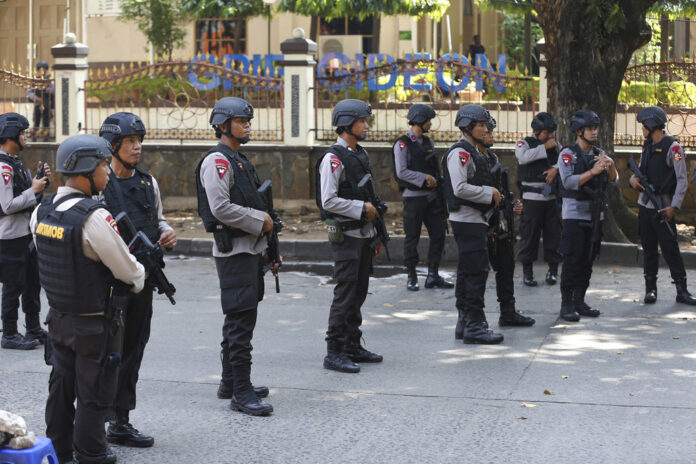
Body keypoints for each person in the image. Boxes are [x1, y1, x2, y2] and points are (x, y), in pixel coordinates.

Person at [33, 133, 145, 464]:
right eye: (102, 165)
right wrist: (140, 274)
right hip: (95, 326)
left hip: (59, 319)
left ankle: (59, 453)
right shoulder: (94, 217)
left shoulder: (44, 209)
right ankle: (92, 456)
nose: (108, 172)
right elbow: (130, 273)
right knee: (94, 396)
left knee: (61, 390)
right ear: (85, 171)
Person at [98, 112, 177, 447]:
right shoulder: (101, 185)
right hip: (111, 284)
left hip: (143, 281)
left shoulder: (148, 182)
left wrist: (167, 232)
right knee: (106, 353)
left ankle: (120, 419)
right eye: (130, 141)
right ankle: (93, 417)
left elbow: (157, 220)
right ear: (112, 146)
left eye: (139, 141)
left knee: (132, 350)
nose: (137, 147)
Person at [196, 97, 278, 416]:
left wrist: (269, 246)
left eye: (248, 121)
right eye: (241, 121)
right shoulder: (218, 161)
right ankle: (241, 393)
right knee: (240, 323)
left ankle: (231, 381)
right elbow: (220, 208)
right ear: (223, 125)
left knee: (239, 320)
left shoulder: (238, 159)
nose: (247, 126)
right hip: (234, 252)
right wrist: (261, 221)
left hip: (249, 250)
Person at [316, 98, 385, 373]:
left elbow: (369, 196)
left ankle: (352, 343)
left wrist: (376, 236)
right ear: (346, 124)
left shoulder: (359, 153)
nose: (366, 125)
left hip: (363, 234)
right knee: (345, 292)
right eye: (361, 121)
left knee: (359, 291)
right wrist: (360, 209)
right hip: (346, 235)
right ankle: (334, 350)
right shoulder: (334, 158)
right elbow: (328, 200)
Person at [442, 104, 505, 344]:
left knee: (469, 271)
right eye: (480, 125)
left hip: (475, 219)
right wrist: (488, 193)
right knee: (476, 272)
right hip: (466, 219)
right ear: (467, 127)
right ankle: (474, 325)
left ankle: (465, 322)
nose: (485, 129)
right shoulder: (461, 153)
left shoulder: (475, 152)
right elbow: (459, 188)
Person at [630, 106, 696, 305]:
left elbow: (682, 180)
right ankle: (651, 290)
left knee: (671, 249)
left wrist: (673, 207)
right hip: (645, 205)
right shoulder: (647, 146)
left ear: (651, 126)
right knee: (649, 249)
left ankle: (682, 290)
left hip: (664, 206)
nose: (642, 129)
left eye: (644, 126)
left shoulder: (673, 148)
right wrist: (633, 180)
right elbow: (639, 171)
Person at [557, 110, 618, 322]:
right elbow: (568, 182)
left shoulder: (599, 152)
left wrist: (609, 165)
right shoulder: (567, 154)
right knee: (572, 259)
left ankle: (580, 301)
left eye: (595, 128)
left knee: (588, 259)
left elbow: (614, 180)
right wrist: (593, 171)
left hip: (595, 215)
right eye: (590, 129)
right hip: (574, 213)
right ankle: (566, 304)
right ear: (579, 131)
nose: (594, 132)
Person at [0, 112, 50, 350]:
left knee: (32, 283)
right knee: (13, 285)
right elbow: (7, 206)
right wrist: (33, 190)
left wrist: (39, 183)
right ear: (10, 135)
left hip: (26, 233)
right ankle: (9, 333)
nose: (25, 137)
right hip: (10, 237)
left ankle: (33, 327)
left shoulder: (13, 162)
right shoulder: (2, 167)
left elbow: (27, 197)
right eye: (21, 133)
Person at [393, 104, 452, 291]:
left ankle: (433, 275)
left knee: (438, 235)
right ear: (419, 120)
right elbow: (401, 172)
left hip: (433, 198)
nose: (430, 124)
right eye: (428, 120)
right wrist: (423, 178)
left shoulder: (428, 142)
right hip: (414, 198)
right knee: (412, 238)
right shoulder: (402, 143)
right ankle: (411, 276)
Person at [515, 112, 562, 287]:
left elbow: (565, 161)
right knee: (529, 236)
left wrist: (555, 170)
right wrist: (545, 147)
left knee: (554, 235)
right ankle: (528, 273)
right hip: (532, 198)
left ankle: (553, 271)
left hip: (551, 198)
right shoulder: (524, 143)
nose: (549, 136)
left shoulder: (556, 146)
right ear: (536, 131)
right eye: (546, 132)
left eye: (551, 133)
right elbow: (523, 157)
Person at [28, 61, 54, 140]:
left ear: (46, 70)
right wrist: (37, 98)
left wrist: (46, 89)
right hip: (37, 104)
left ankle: (46, 136)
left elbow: (53, 90)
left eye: (44, 69)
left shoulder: (49, 80)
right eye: (40, 69)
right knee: (36, 120)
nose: (42, 70)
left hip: (47, 103)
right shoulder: (35, 80)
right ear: (38, 70)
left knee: (46, 120)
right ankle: (34, 136)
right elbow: (30, 92)